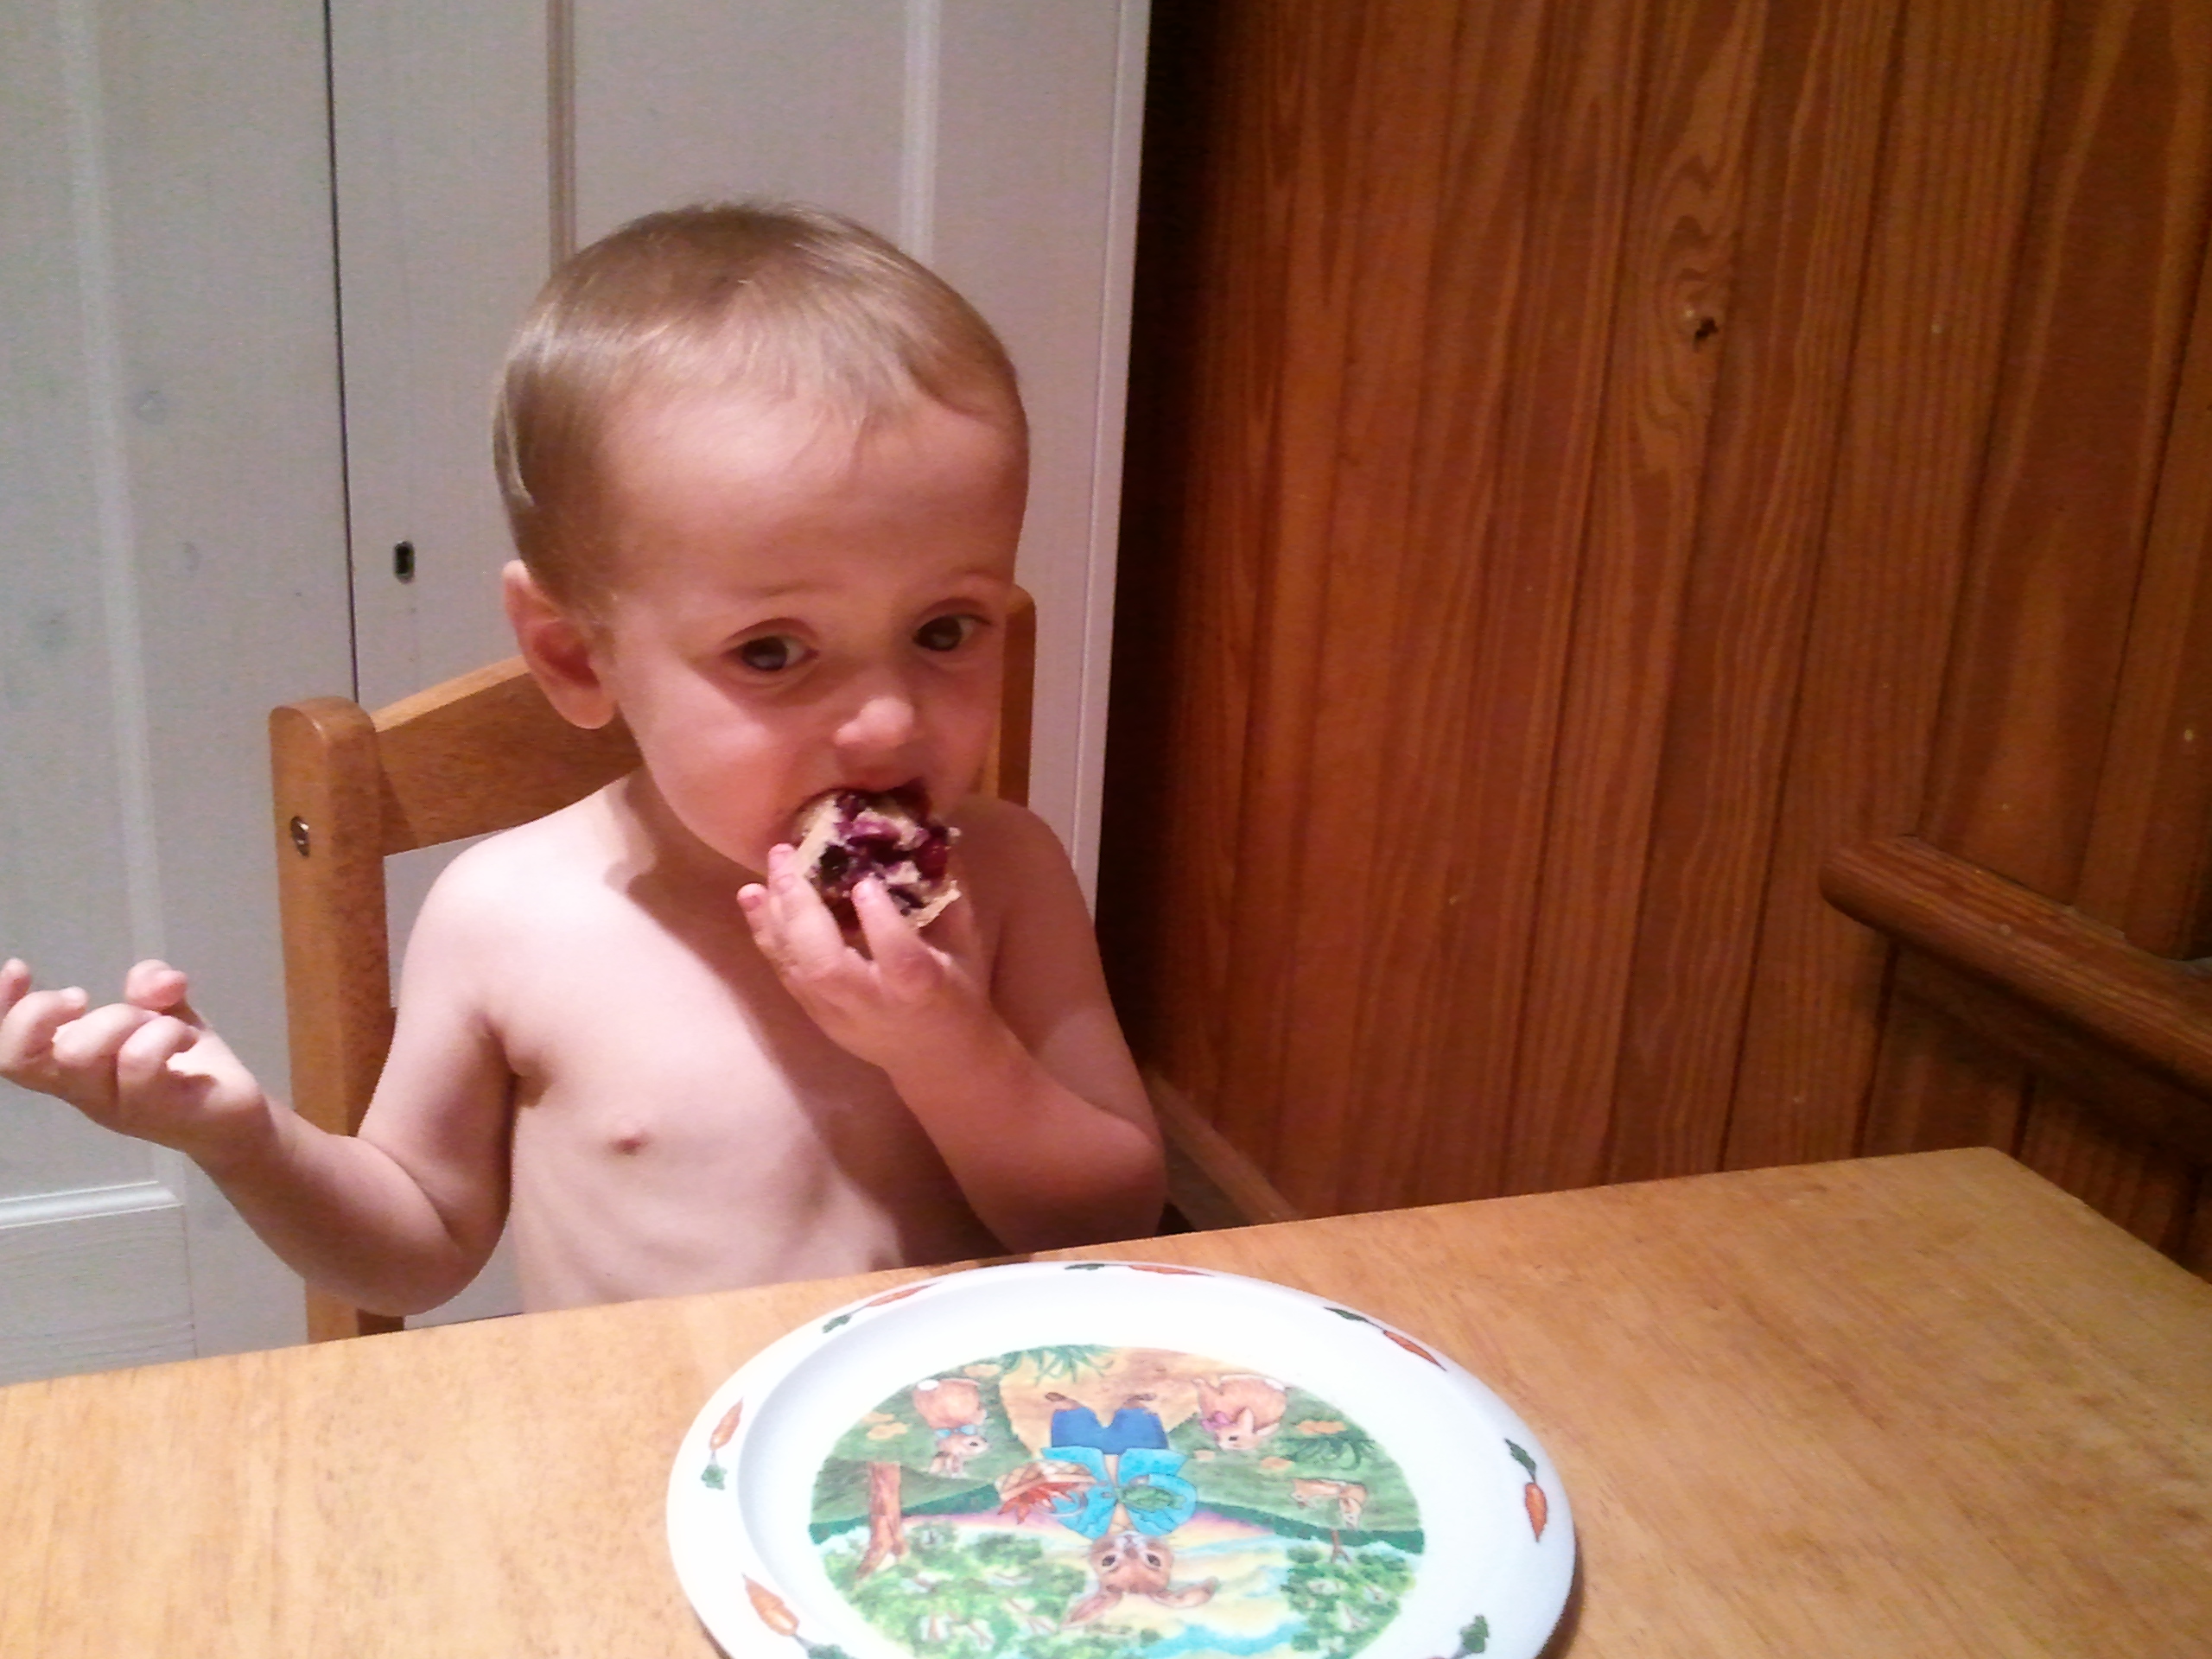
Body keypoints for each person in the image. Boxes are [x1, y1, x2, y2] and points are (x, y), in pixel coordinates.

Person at [0, 203, 1166, 1315]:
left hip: (940, 1436)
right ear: (572, 655)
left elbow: (1113, 1217)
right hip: (635, 1434)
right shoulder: (508, 916)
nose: (886, 725)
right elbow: (415, 1251)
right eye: (772, 652)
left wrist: (948, 1049)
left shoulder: (1008, 876)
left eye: (945, 631)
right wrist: (244, 1141)